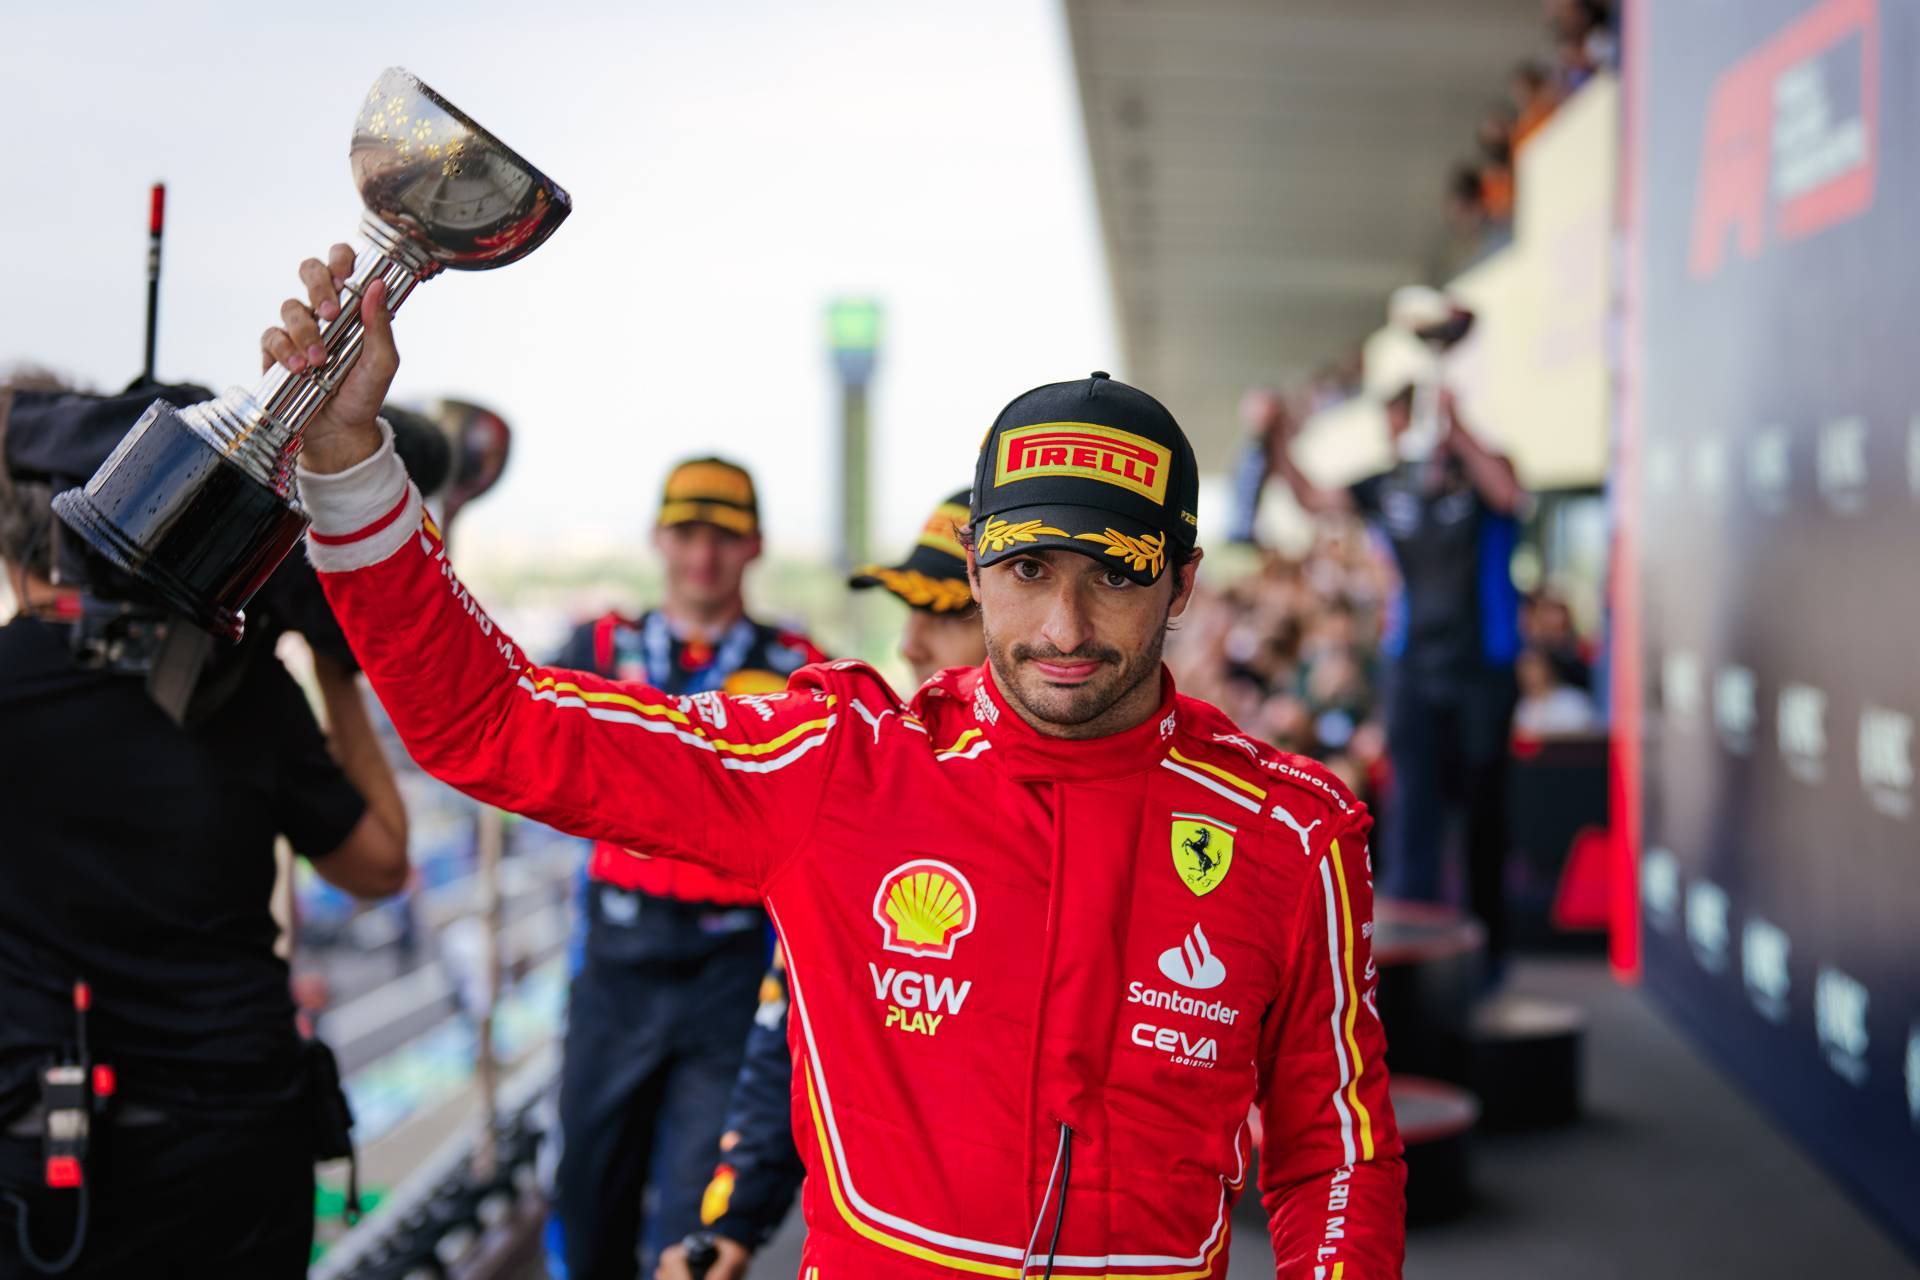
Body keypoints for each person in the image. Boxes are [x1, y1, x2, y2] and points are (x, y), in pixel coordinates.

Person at [267, 254, 1405, 1277]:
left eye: (1116, 572)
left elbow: (1335, 1154)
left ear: (1184, 580)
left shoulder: (1293, 834)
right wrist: (350, 465)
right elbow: (492, 722)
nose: (1064, 626)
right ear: (975, 564)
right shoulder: (839, 764)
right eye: (1028, 570)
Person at [0, 380, 410, 1278]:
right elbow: (381, 864)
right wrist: (330, 660)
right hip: (239, 1151)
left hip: (49, 1159)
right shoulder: (248, 691)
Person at [659, 487, 988, 1280]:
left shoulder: (1158, 817)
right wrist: (732, 1223)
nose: (909, 642)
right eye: (907, 610)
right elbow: (792, 1027)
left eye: (943, 612)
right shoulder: (870, 798)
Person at [546, 456, 826, 1280]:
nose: (704, 555)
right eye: (688, 533)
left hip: (732, 971)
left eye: (725, 536)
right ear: (658, 538)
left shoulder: (800, 664)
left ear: (755, 546)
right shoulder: (600, 645)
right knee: (586, 1197)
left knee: (699, 1224)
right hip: (616, 965)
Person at [1256, 381, 1526, 970]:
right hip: (1410, 668)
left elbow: (1509, 495)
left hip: (1484, 669)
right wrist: (1276, 435)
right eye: (1394, 422)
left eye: (1404, 417)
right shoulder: (1386, 484)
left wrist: (1457, 427)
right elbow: (1310, 498)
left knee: (1483, 812)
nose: (1396, 432)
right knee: (1411, 811)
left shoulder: (1484, 470)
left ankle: (1490, 955)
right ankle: (1414, 966)